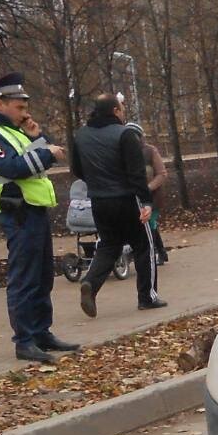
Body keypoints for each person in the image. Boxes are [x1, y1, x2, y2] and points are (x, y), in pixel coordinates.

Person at [0, 72, 79, 364]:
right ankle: (24, 340)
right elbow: (13, 166)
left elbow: (33, 158)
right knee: (25, 278)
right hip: (17, 210)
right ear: (1, 103)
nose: (25, 111)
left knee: (41, 275)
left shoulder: (12, 128)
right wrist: (47, 152)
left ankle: (42, 332)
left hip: (33, 208)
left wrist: (36, 137)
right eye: (20, 106)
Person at [72, 91, 163, 316]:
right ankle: (147, 297)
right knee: (144, 246)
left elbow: (76, 169)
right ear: (115, 110)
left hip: (99, 201)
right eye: (122, 109)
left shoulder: (81, 136)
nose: (123, 113)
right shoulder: (124, 135)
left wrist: (96, 183)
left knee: (108, 245)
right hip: (127, 199)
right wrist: (146, 202)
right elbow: (137, 173)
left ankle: (91, 283)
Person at [129, 122, 170, 264]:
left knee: (150, 222)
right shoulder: (123, 152)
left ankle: (152, 255)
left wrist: (148, 187)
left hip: (152, 197)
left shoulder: (150, 151)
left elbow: (162, 174)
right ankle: (162, 253)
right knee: (149, 224)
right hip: (134, 197)